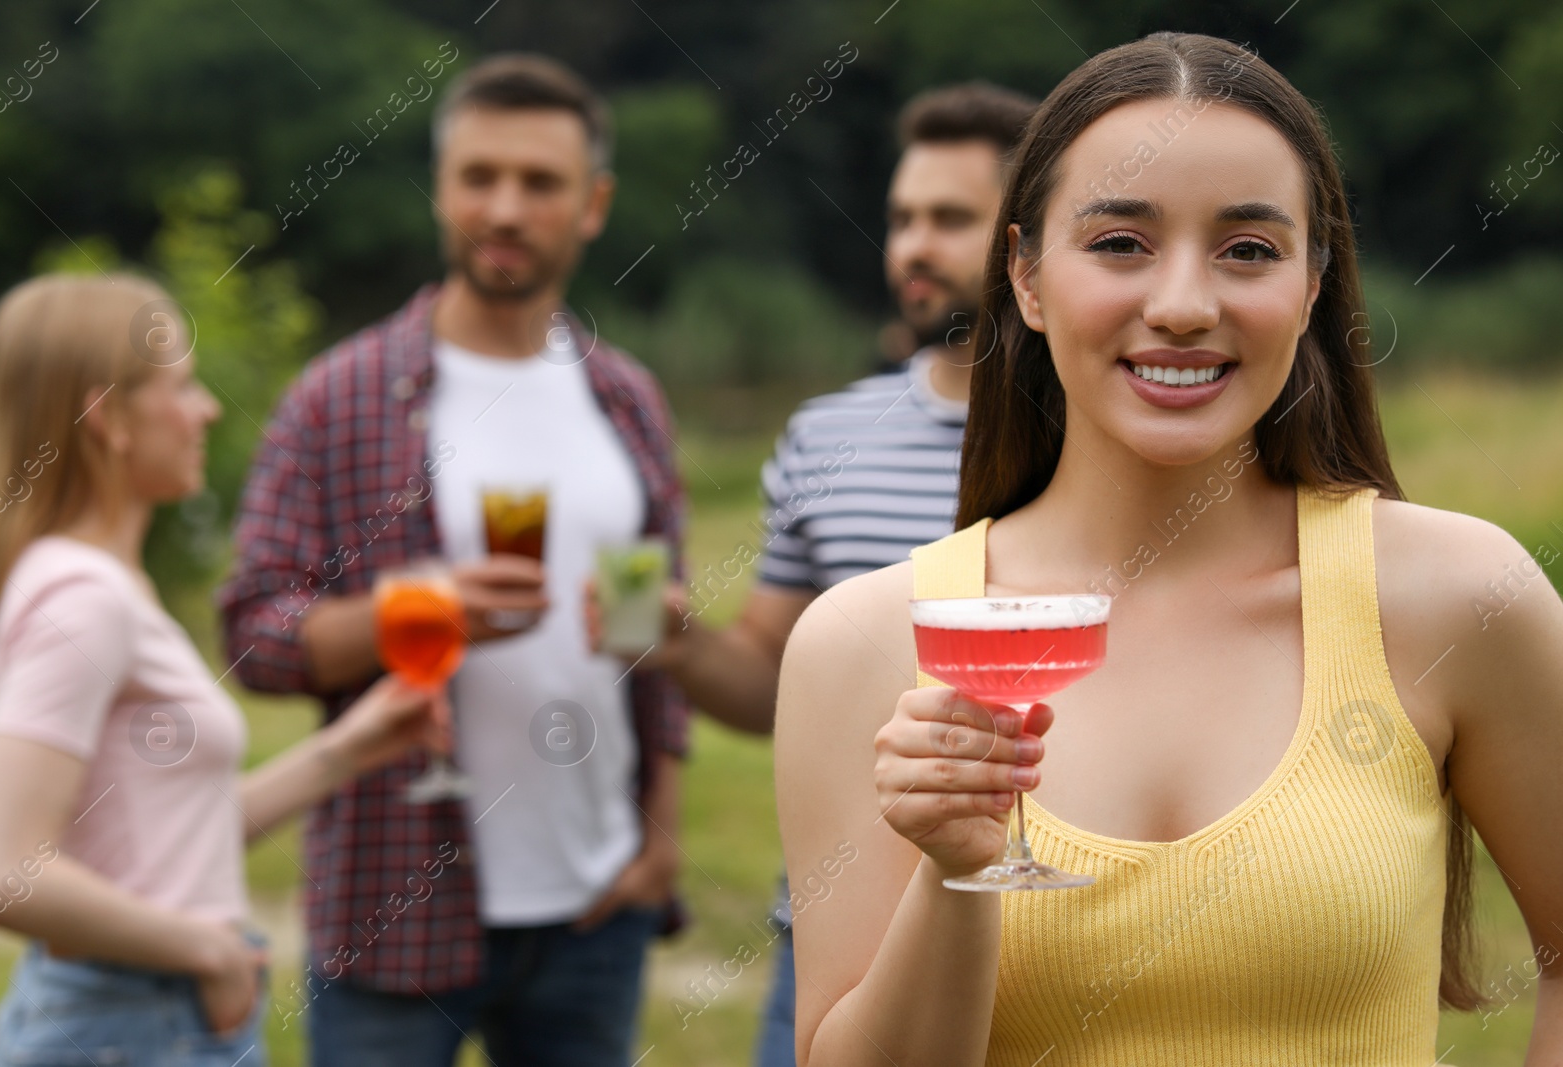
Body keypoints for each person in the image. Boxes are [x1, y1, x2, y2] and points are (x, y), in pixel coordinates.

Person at [777, 31, 1563, 1066]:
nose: (1185, 305)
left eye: (1248, 248)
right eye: (1118, 243)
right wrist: (955, 869)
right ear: (1023, 277)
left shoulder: (1460, 596)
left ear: (1315, 282)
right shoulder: (865, 643)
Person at [218, 53, 688, 1067]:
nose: (505, 208)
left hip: (596, 902)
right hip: (394, 900)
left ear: (594, 203)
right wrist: (410, 609)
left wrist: (660, 838)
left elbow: (649, 645)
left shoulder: (628, 400)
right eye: (479, 177)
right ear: (440, 189)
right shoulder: (335, 396)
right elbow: (252, 631)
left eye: (540, 181)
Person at [594, 83, 1036, 1065]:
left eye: (948, 219)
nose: (912, 247)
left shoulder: (1103, 438)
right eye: (902, 219)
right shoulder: (825, 433)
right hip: (832, 921)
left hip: (1041, 907)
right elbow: (769, 687)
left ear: (1028, 244)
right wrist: (677, 643)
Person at [0, 274, 440, 1067]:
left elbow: (172, 838)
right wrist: (207, 950)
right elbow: (0, 874)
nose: (208, 410)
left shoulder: (103, 586)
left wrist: (351, 748)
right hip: (133, 1023)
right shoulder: (82, 600)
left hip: (141, 1018)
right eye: (182, 387)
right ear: (108, 417)